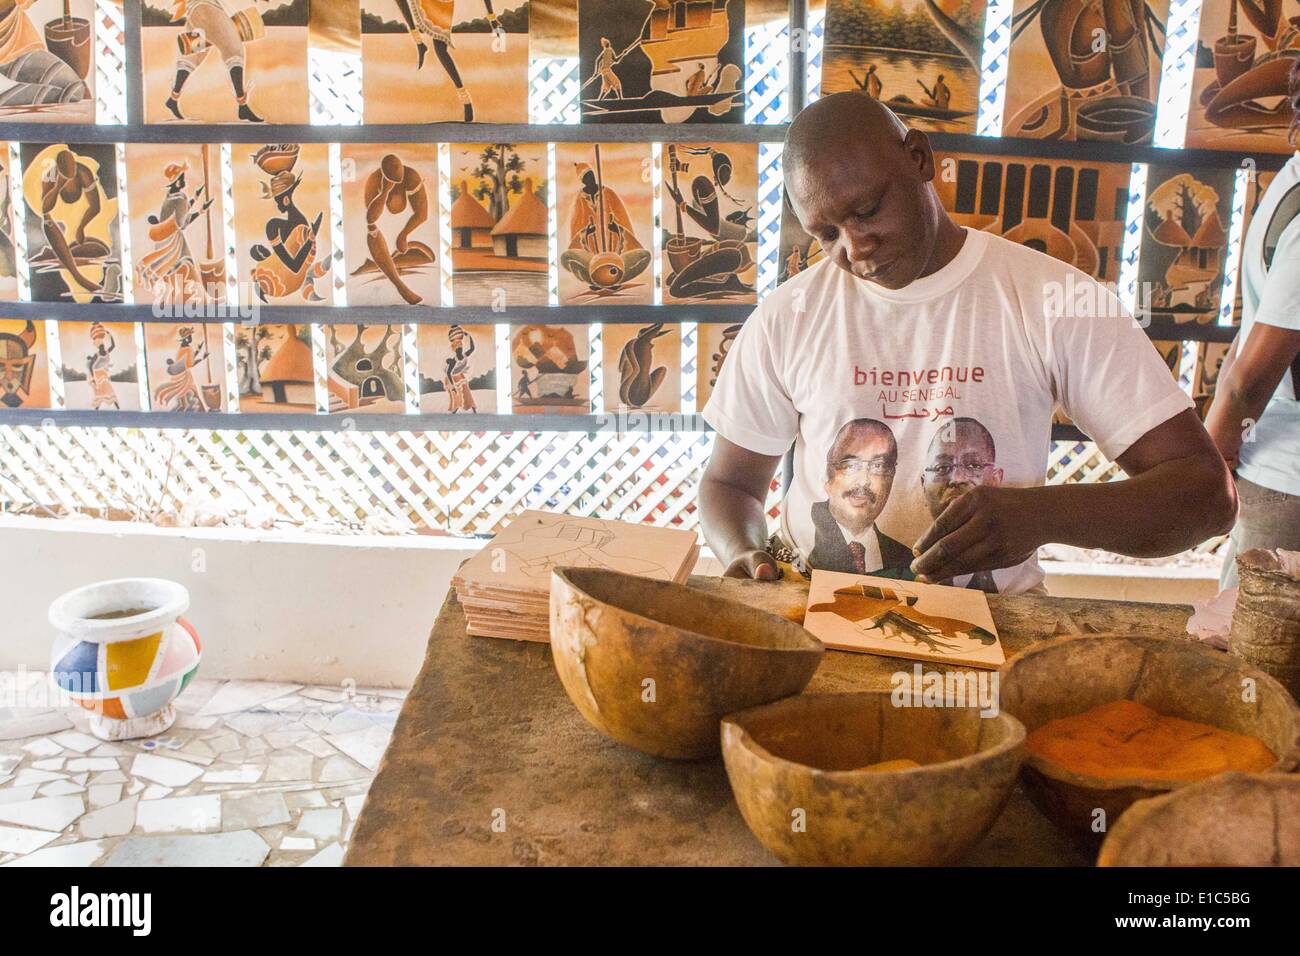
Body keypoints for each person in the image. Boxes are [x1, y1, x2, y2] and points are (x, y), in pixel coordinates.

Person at [699, 92, 1236, 593]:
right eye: (827, 234)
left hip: (997, 631)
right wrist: (744, 552)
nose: (856, 248)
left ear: (919, 158)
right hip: (815, 613)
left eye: (866, 211)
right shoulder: (789, 315)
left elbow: (1206, 496)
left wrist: (1040, 517)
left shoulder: (1053, 299)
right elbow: (731, 484)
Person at [1204, 58, 1300, 587]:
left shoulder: (1291, 177)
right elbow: (1248, 382)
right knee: (1266, 661)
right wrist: (1212, 466)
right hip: (1289, 487)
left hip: (1276, 473)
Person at [808, 418, 912, 574]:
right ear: (828, 474)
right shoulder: (802, 548)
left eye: (878, 466)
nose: (864, 481)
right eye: (851, 465)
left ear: (892, 475)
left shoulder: (907, 560)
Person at [920, 418, 1002, 591]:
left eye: (973, 465)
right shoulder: (898, 569)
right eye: (942, 468)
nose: (957, 479)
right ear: (923, 486)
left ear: (996, 480)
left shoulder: (1007, 558)